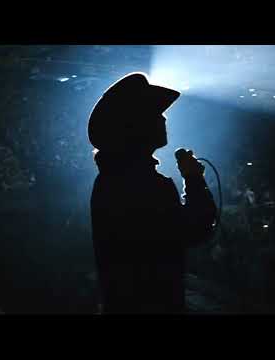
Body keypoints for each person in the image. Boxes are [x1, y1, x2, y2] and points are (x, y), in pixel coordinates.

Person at [88, 72, 217, 314]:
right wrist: (193, 178)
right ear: (136, 125)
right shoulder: (149, 185)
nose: (164, 118)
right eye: (156, 113)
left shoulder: (107, 181)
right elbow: (195, 229)